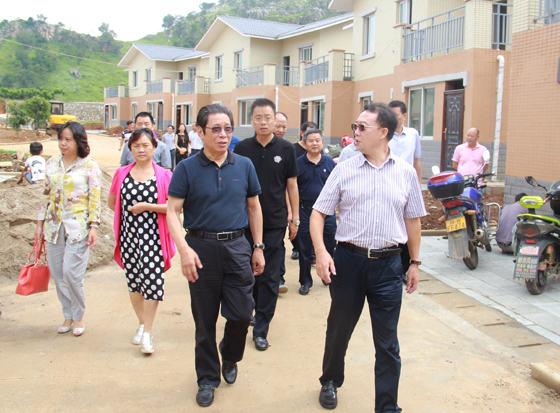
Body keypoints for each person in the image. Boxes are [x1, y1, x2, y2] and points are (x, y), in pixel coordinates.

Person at [310, 103, 426, 411]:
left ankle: (387, 407)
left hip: (389, 266)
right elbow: (318, 213)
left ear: (383, 133)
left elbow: (413, 220)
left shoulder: (404, 173)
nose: (355, 132)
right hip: (348, 262)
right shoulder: (345, 168)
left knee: (387, 343)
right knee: (339, 329)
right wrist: (322, 253)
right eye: (355, 126)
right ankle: (331, 380)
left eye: (363, 127)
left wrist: (414, 263)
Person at [167, 104, 264, 407]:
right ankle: (207, 377)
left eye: (228, 129)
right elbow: (172, 210)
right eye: (216, 129)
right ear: (200, 131)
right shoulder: (187, 168)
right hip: (200, 248)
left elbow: (254, 207)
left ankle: (231, 354)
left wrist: (258, 246)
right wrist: (183, 249)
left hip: (238, 247)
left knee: (240, 314)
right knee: (204, 319)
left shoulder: (244, 165)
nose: (223, 135)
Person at [234, 98, 299, 351]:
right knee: (245, 274)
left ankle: (261, 328)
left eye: (268, 117)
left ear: (275, 120)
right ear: (252, 120)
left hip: (274, 222)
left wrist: (294, 218)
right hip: (242, 223)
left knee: (270, 277)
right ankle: (247, 312)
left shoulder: (286, 149)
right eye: (258, 117)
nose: (263, 122)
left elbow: (291, 185)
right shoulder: (241, 149)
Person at [108, 128, 175, 354]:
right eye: (136, 145)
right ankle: (142, 323)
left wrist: (147, 207)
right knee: (135, 283)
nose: (141, 149)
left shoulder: (164, 176)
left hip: (153, 237)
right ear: (130, 149)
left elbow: (174, 208)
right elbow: (112, 203)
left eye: (145, 145)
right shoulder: (122, 174)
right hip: (129, 237)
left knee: (153, 282)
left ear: (155, 147)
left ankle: (147, 332)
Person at [35, 121, 101, 337]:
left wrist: (94, 226)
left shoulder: (89, 166)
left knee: (71, 273)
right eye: (61, 138)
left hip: (79, 227)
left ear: (78, 141)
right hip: (54, 226)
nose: (63, 143)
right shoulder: (52, 163)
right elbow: (45, 195)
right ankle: (68, 314)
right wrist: (39, 224)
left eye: (68, 139)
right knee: (57, 272)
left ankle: (79, 315)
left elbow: (94, 199)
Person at [296, 128, 336, 295]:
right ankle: (305, 281)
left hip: (327, 213)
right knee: (304, 248)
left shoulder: (329, 163)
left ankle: (327, 276)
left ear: (322, 142)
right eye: (310, 140)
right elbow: (292, 189)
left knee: (329, 246)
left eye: (317, 140)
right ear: (304, 143)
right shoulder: (298, 163)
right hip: (305, 210)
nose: (314, 143)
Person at [274, 111, 297, 292]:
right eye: (278, 126)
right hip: (252, 209)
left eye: (284, 127)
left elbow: (290, 186)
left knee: (278, 245)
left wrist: (291, 213)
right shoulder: (248, 148)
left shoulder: (287, 149)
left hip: (278, 209)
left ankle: (279, 278)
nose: (281, 130)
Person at [388, 100, 422, 182]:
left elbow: (416, 161)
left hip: (408, 180)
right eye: (390, 115)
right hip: (389, 180)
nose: (392, 118)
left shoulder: (413, 134)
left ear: (404, 116)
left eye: (396, 115)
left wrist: (418, 184)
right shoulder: (383, 135)